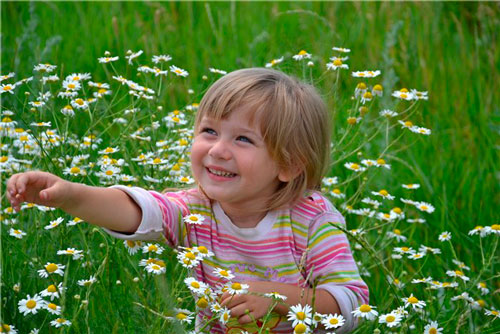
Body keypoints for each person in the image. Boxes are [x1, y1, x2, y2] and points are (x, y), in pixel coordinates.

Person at [7, 68, 368, 333]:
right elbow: (138, 212)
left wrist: (280, 298)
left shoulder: (312, 219)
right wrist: (71, 194)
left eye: (243, 140)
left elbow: (353, 304)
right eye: (209, 131)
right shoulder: (195, 209)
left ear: (288, 164)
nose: (218, 150)